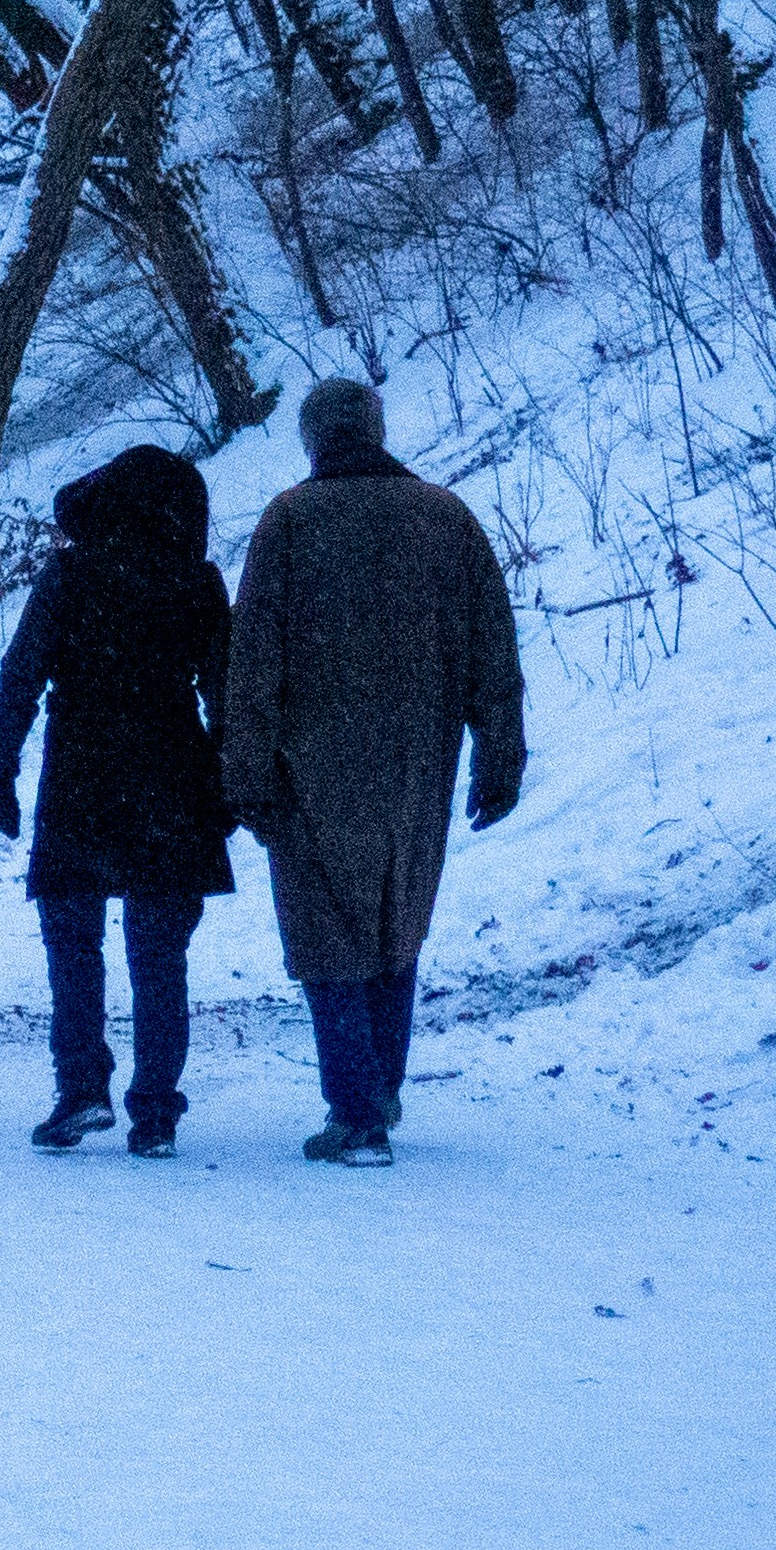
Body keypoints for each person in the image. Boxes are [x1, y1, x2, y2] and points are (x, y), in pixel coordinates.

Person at [217, 377, 524, 1166]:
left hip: (313, 762)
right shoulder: (445, 518)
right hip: (419, 763)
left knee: (327, 934)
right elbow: (495, 652)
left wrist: (246, 774)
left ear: (313, 439)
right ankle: (378, 1088)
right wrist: (498, 758)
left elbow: (251, 661)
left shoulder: (290, 520)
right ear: (377, 430)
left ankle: (357, 1113)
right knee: (395, 926)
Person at [0, 444, 232, 1157]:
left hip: (82, 767)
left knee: (72, 941)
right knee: (159, 955)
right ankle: (155, 1111)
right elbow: (226, 694)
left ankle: (81, 1088)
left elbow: (20, 675)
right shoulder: (198, 581)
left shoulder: (73, 573)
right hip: (171, 766)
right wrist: (233, 787)